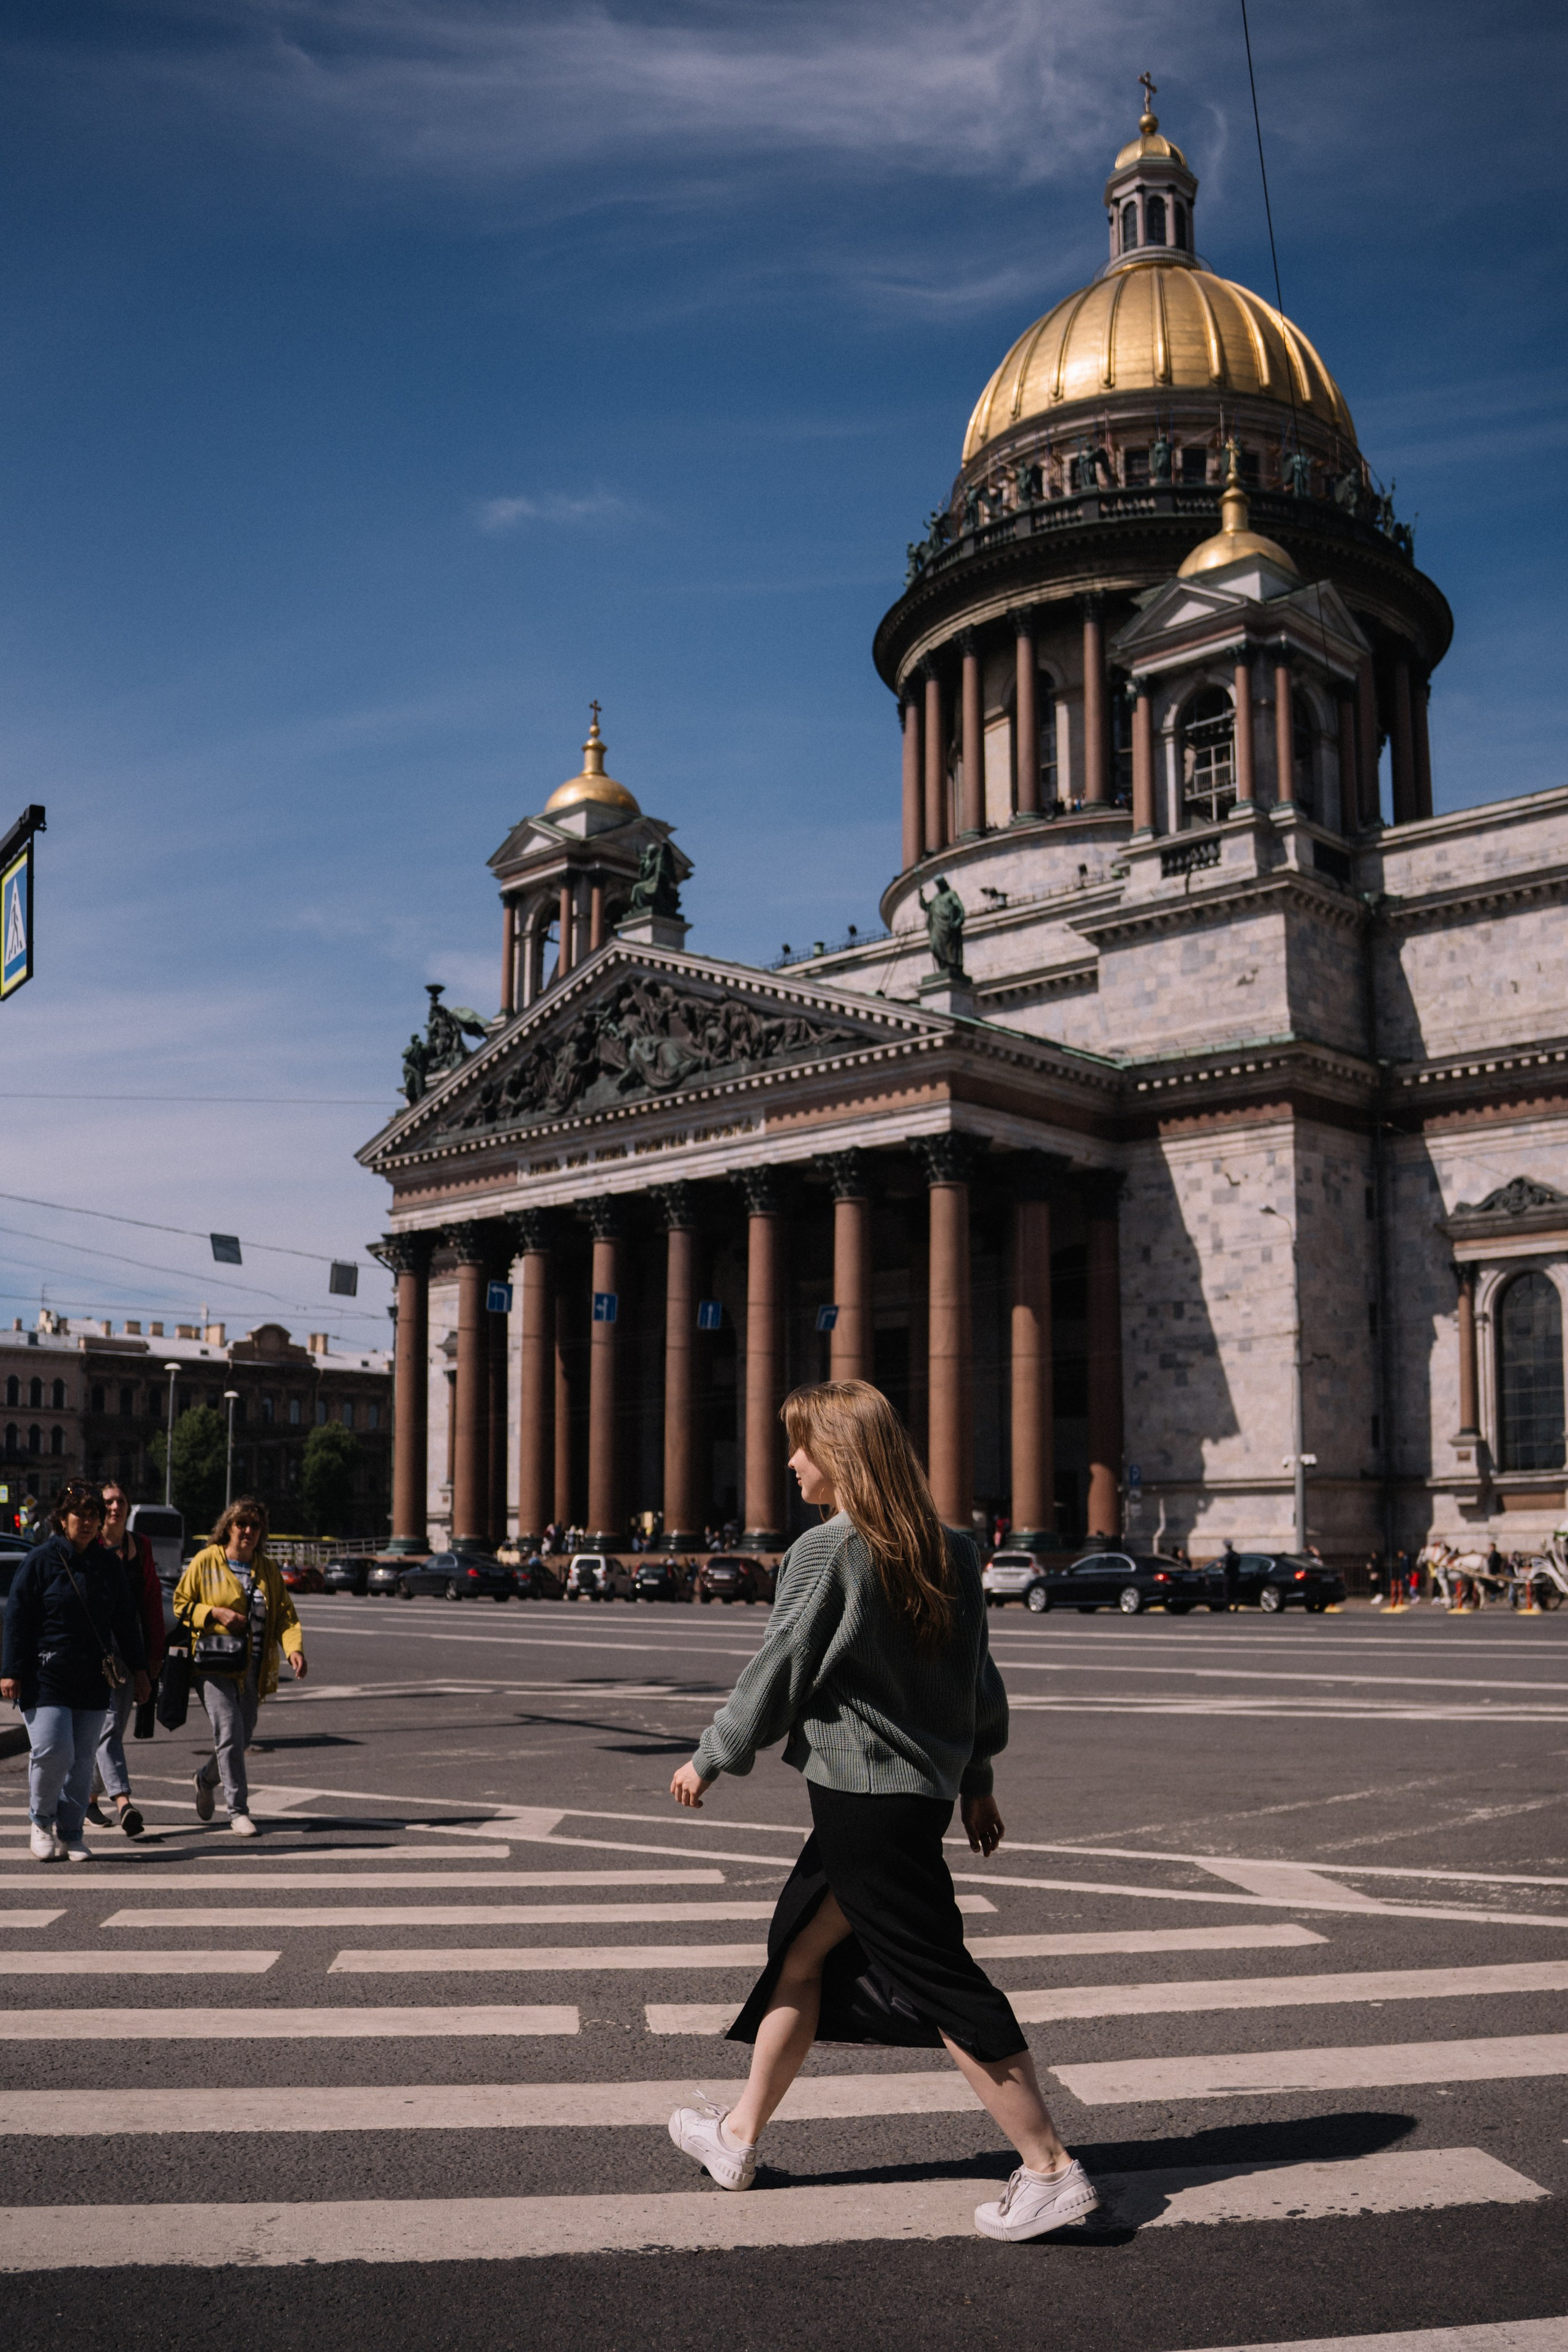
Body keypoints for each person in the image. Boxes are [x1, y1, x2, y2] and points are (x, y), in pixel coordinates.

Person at [666, 1379, 1097, 2245]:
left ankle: (1050, 2169)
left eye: (802, 1445)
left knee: (937, 1975)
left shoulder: (828, 1550)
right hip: (912, 1799)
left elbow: (780, 1666)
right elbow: (976, 1680)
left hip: (861, 1800)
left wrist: (713, 1753)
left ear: (842, 1455)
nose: (791, 1462)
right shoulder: (953, 1551)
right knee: (800, 1951)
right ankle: (738, 2135)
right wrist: (977, 1780)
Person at [0, 1480, 148, 1862]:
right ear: (62, 1519)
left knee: (82, 1759)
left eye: (92, 1515)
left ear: (99, 1522)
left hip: (92, 1677)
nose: (86, 1521)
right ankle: (41, 1821)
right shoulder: (41, 1561)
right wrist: (11, 1670)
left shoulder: (107, 1565)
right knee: (54, 1749)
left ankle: (71, 1832)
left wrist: (141, 1669)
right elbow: (17, 1618)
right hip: (45, 1674)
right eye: (78, 1514)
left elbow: (125, 1621)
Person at [174, 1496, 307, 1836]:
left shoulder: (267, 1569)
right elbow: (180, 1604)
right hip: (213, 1663)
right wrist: (215, 1613)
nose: (248, 1531)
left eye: (255, 1526)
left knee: (241, 1737)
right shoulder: (207, 1560)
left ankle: (205, 1780)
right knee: (230, 1732)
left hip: (252, 1666)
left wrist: (294, 1649)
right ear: (228, 1527)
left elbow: (285, 1615)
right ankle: (238, 1811)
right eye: (241, 1524)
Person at [88, 1482, 166, 1838]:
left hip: (130, 1645)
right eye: (108, 1502)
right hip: (97, 1646)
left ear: (128, 1506)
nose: (115, 1507)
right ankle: (123, 1802)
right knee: (107, 1727)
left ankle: (88, 1799)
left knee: (113, 1729)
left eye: (120, 1501)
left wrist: (153, 1655)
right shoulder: (90, 1544)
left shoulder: (141, 1546)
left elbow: (151, 1601)